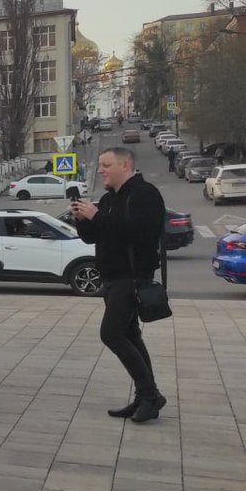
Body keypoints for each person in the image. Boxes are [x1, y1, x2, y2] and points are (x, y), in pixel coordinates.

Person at [70, 146, 167, 423]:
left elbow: (139, 233)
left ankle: (150, 396)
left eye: (106, 165)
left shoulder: (144, 194)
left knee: (111, 334)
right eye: (101, 165)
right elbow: (94, 237)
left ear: (125, 165)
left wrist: (98, 216)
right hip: (111, 278)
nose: (101, 170)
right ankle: (145, 396)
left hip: (132, 277)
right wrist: (83, 219)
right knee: (131, 336)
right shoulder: (109, 198)